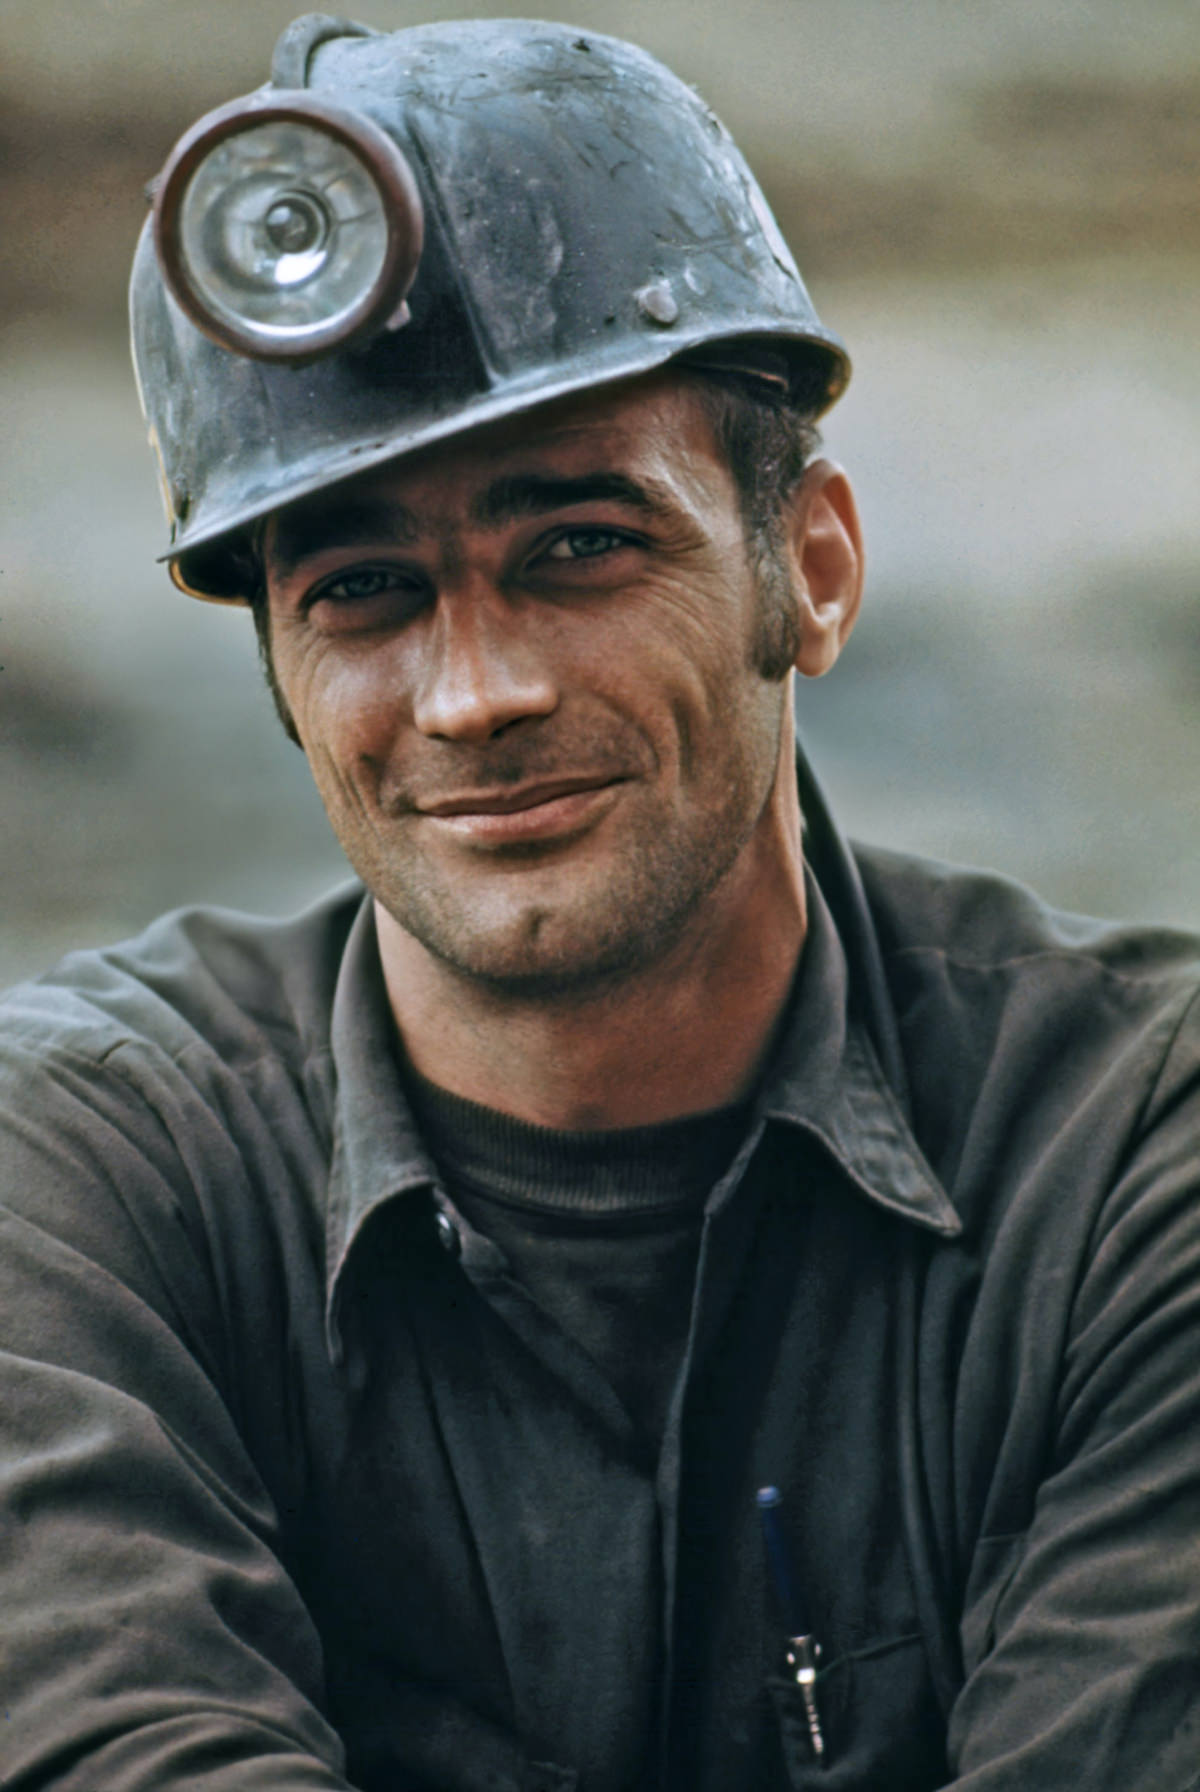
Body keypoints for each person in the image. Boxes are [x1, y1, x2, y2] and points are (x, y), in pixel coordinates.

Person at [2, 14, 1199, 1790]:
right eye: (363, 591)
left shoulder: (1124, 1156)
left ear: (813, 569)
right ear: (272, 660)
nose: (472, 690)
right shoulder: (82, 1179)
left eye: (580, 546)